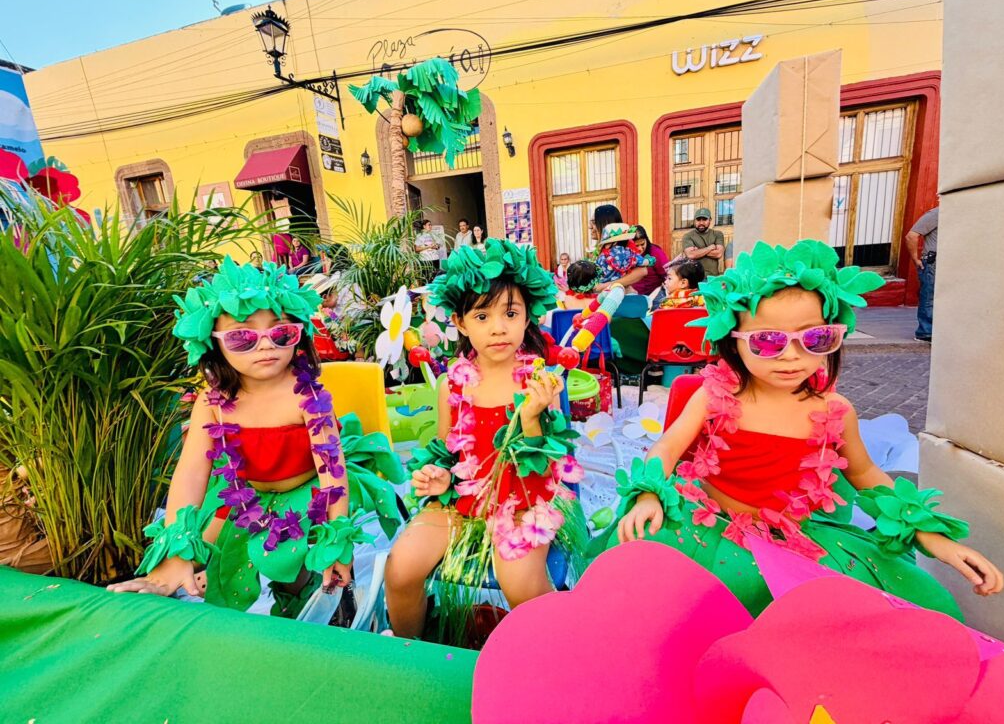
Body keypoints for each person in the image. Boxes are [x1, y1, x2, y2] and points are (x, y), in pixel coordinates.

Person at [610, 239, 1003, 619]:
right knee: (657, 597)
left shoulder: (834, 411)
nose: (792, 356)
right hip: (710, 529)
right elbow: (668, 446)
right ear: (733, 339)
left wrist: (932, 538)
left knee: (892, 613)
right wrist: (649, 495)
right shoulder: (713, 396)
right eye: (767, 341)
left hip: (793, 542)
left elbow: (866, 475)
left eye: (815, 338)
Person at [107, 257, 397, 616]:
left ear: (299, 336)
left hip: (309, 490)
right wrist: (176, 554)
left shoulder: (308, 396)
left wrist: (336, 540)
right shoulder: (212, 401)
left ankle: (313, 600)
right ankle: (198, 579)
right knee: (213, 552)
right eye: (242, 336)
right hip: (245, 491)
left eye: (281, 333)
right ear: (213, 344)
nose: (265, 345)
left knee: (289, 561)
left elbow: (331, 474)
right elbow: (191, 472)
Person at [384, 239, 586, 641]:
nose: (498, 327)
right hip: (464, 501)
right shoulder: (452, 385)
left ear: (527, 316)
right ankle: (412, 653)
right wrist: (439, 475)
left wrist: (530, 418)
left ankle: (559, 650)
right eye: (482, 315)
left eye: (510, 313)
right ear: (460, 322)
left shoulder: (539, 381)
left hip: (527, 500)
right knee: (400, 567)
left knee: (520, 584)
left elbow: (547, 471)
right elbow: (447, 452)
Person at [904, 206, 938, 342]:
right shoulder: (936, 213)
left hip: (947, 263)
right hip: (933, 262)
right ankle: (925, 332)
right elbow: (911, 236)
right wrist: (915, 259)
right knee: (929, 296)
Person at [592, 221, 652, 292]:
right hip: (618, 288)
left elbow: (595, 269)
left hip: (601, 288)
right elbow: (641, 262)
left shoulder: (601, 256)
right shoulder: (627, 253)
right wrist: (649, 261)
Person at [681, 209, 725, 278]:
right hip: (694, 278)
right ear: (694, 221)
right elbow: (691, 255)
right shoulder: (688, 236)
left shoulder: (717, 234)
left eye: (704, 219)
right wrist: (709, 248)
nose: (701, 223)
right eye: (698, 220)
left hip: (712, 277)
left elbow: (718, 254)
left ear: (710, 220)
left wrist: (697, 251)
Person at [631, 225, 670, 296]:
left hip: (652, 296)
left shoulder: (656, 252)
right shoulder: (627, 253)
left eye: (642, 244)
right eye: (636, 245)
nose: (640, 248)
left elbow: (667, 274)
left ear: (646, 240)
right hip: (632, 295)